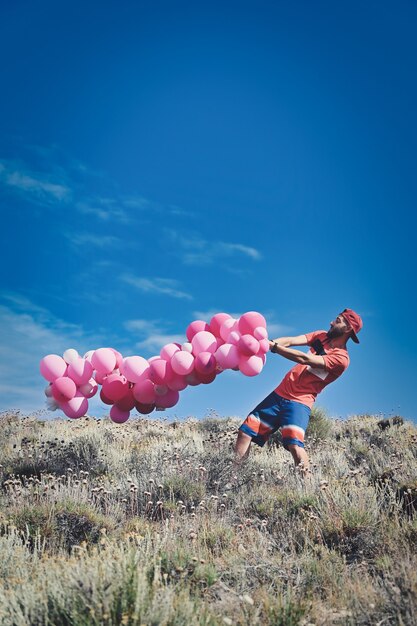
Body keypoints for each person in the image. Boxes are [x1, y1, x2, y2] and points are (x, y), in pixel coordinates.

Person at [234, 308, 363, 474]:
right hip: (279, 394)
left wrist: (275, 348)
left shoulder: (341, 359)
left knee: (295, 445)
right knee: (245, 432)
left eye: (337, 320)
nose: (331, 322)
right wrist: (264, 345)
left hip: (299, 403)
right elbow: (291, 340)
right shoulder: (321, 336)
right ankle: (234, 476)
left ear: (347, 329)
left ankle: (306, 488)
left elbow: (305, 359)